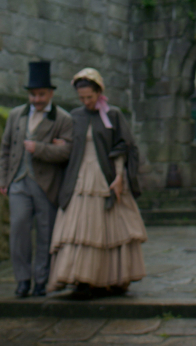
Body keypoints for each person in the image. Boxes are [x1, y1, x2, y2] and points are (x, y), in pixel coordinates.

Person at [47, 68, 147, 297]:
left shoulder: (113, 115)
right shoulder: (75, 116)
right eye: (82, 98)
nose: (86, 102)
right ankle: (82, 280)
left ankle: (111, 279)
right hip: (79, 177)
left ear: (99, 92)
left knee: (109, 230)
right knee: (78, 230)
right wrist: (63, 145)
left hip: (106, 177)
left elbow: (124, 146)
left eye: (89, 97)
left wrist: (119, 177)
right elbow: (70, 143)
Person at [0, 62, 73, 298]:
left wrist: (39, 148)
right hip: (18, 182)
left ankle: (41, 280)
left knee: (45, 232)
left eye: (41, 94)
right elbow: (5, 148)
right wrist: (4, 179)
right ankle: (22, 280)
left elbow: (67, 151)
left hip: (47, 184)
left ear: (50, 93)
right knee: (19, 230)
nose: (37, 99)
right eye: (33, 94)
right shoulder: (16, 115)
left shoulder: (62, 118)